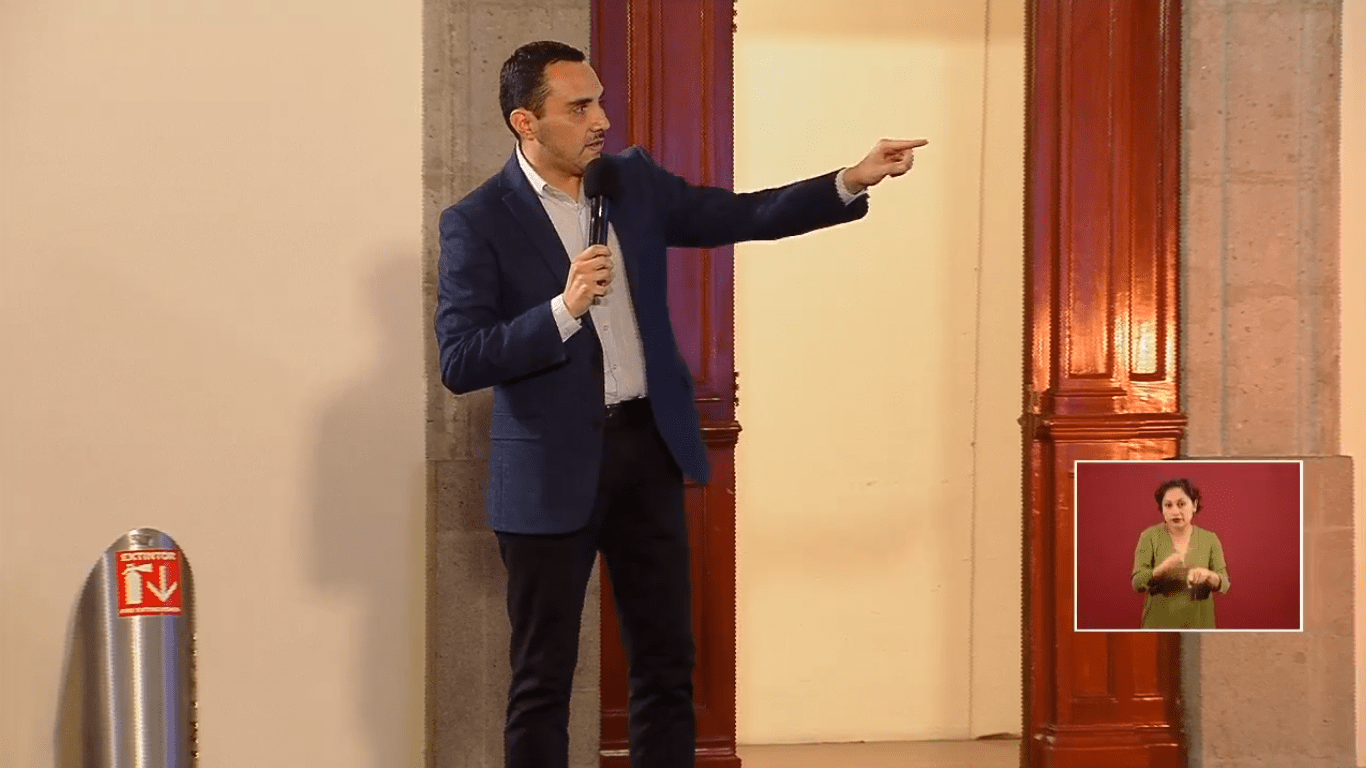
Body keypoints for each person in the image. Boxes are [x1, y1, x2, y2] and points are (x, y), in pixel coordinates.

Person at [433, 40, 926, 768]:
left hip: (646, 451)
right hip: (546, 472)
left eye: (600, 101)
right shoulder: (478, 220)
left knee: (667, 666)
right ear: (525, 123)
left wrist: (849, 180)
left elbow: (740, 214)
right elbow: (461, 359)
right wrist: (563, 310)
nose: (602, 120)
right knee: (542, 679)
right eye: (579, 107)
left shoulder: (630, 182)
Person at [1130, 478, 1231, 629]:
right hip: (1159, 627)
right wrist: (1160, 570)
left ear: (1194, 505)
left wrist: (1208, 576)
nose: (1175, 511)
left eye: (1181, 504)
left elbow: (1225, 584)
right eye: (1168, 505)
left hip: (1199, 627)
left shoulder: (1210, 539)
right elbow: (1137, 583)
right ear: (1162, 509)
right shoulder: (1149, 536)